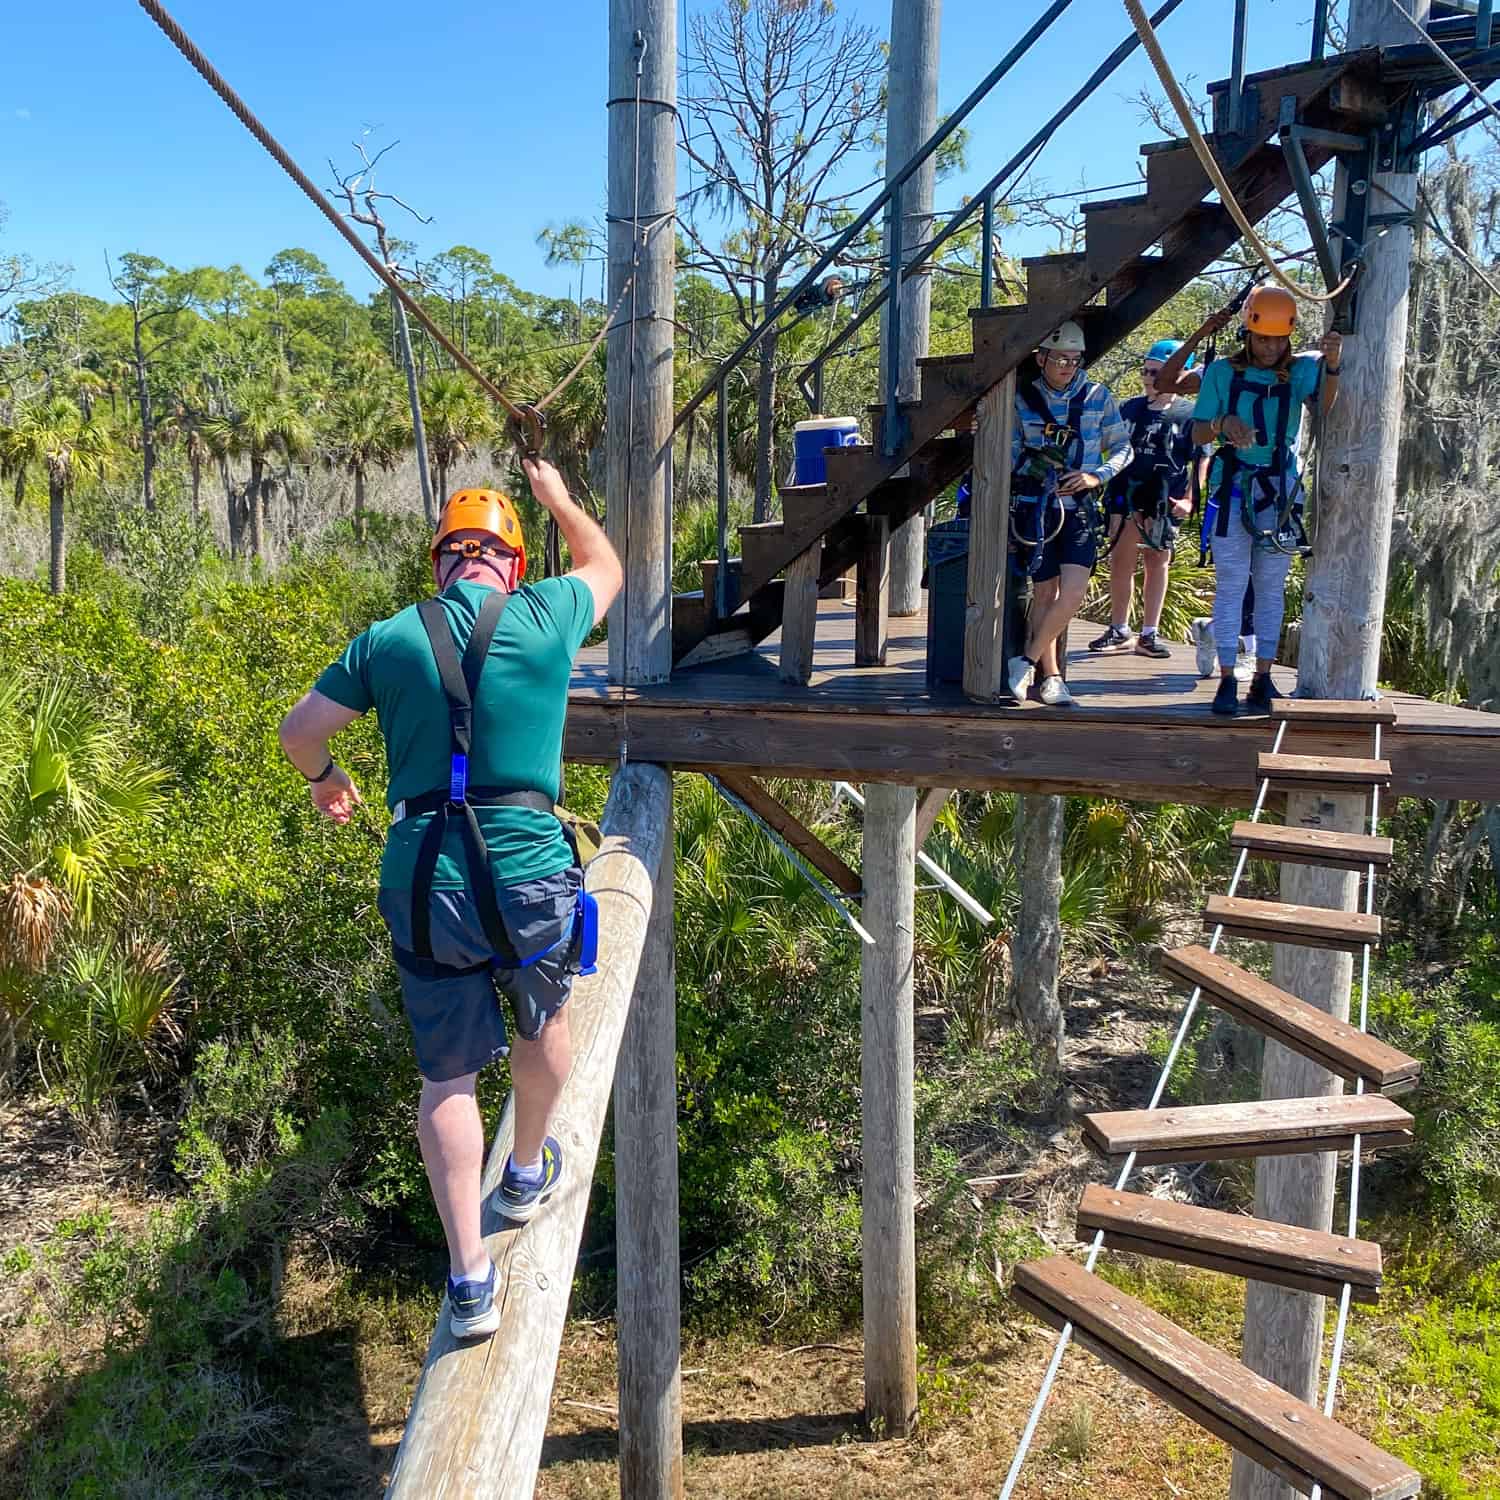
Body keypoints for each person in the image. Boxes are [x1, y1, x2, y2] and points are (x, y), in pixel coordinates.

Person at [277, 456, 622, 1340]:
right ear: (511, 562)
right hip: (528, 869)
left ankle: (470, 1278)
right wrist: (560, 499)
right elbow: (609, 567)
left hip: (425, 878)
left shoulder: (389, 638)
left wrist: (326, 777)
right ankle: (528, 1167)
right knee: (543, 1022)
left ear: (440, 564)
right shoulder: (546, 615)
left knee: (447, 1078)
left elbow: (300, 732)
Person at [1190, 285, 1342, 715]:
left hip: (1278, 493)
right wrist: (1222, 422)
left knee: (1272, 589)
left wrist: (1332, 366)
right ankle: (1225, 678)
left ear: (1289, 336)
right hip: (1233, 487)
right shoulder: (1222, 373)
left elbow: (1324, 407)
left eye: (1278, 339)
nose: (1270, 346)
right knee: (1232, 585)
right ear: (1248, 335)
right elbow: (1198, 431)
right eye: (1262, 338)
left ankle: (1263, 676)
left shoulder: (1300, 371)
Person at [1004, 320, 1133, 706]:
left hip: (1079, 511)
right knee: (1045, 593)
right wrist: (1033, 469)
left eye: (1074, 360)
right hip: (1038, 510)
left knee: (1073, 591)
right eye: (1060, 358)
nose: (1067, 366)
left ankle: (1024, 662)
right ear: (1041, 358)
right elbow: (1009, 453)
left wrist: (1096, 476)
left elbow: (1124, 447)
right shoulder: (1021, 400)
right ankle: (1052, 678)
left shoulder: (1098, 396)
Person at [1158, 309, 1260, 681]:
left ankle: (1215, 630)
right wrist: (1200, 333)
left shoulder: (1287, 370)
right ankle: (1243, 647)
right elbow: (1167, 381)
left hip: (1274, 483)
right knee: (1238, 575)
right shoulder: (1221, 373)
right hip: (1230, 480)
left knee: (1260, 577)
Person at [1088, 339, 1199, 660]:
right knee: (1120, 559)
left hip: (1165, 495)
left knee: (1157, 561)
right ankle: (1119, 628)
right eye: (1146, 371)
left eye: (1157, 371)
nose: (1149, 377)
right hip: (1126, 493)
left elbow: (1200, 460)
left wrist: (1190, 499)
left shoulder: (1189, 413)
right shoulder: (1129, 408)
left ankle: (1149, 633)